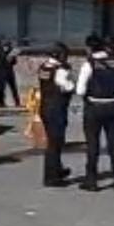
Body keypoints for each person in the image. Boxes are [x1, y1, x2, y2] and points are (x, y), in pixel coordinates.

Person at [76, 34, 114, 191]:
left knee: (93, 145)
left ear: (90, 48)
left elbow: (80, 90)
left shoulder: (89, 64)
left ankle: (91, 181)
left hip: (94, 107)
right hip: (113, 106)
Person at [38, 42, 76, 187]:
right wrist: (71, 82)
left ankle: (57, 169)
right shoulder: (60, 70)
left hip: (45, 106)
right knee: (55, 143)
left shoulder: (44, 67)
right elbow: (66, 86)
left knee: (54, 141)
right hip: (56, 108)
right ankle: (51, 177)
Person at [0, 40, 21, 108]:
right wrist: (6, 57)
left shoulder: (11, 52)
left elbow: (14, 62)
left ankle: (17, 102)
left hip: (9, 71)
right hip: (1, 72)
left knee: (13, 87)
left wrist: (12, 58)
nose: (7, 47)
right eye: (5, 46)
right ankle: (0, 103)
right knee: (1, 88)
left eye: (8, 46)